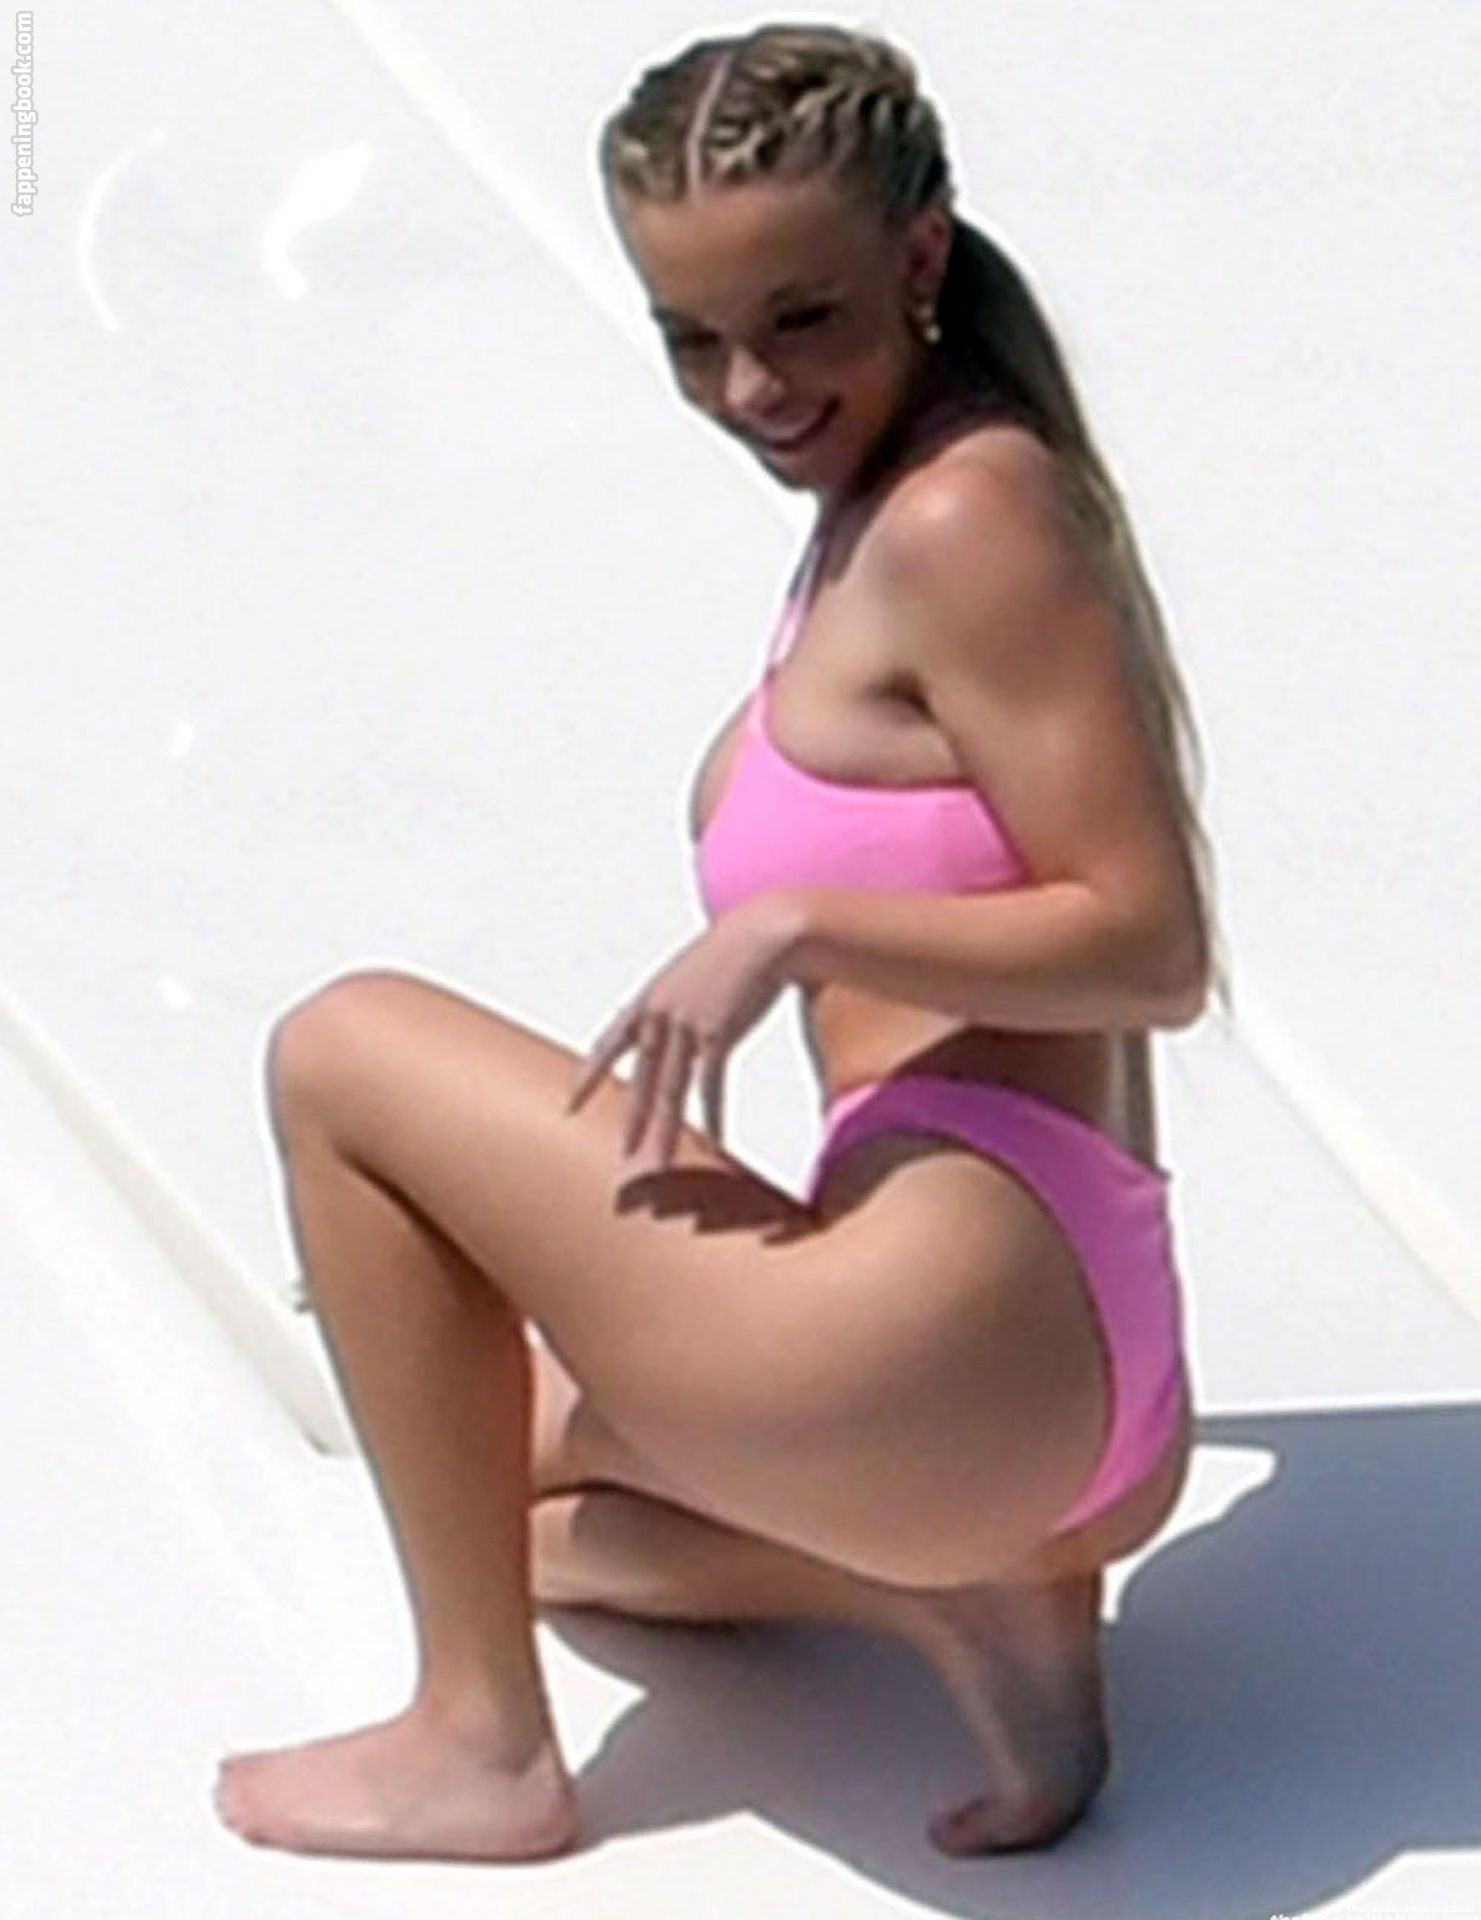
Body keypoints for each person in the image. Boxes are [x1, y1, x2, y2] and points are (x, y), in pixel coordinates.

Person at [213, 22, 1230, 1868]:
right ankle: (962, 1596)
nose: (750, 386)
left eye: (798, 319)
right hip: (1051, 1381)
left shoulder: (965, 514)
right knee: (504, 1498)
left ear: (919, 257)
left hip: (945, 1337)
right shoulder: (896, 499)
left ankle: (480, 1748)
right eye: (691, 339)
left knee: (341, 1048)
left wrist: (794, 922)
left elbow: (1152, 948)